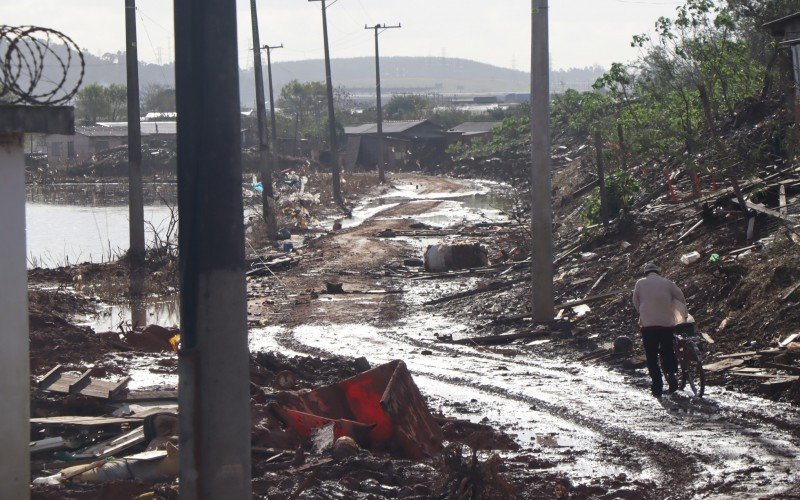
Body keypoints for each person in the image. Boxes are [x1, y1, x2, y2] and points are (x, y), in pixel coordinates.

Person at [632, 263, 687, 398]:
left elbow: (635, 301)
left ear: (646, 273)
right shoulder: (667, 283)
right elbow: (681, 298)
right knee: (667, 350)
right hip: (666, 324)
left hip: (648, 325)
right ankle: (672, 374)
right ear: (658, 272)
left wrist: (642, 312)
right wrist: (675, 310)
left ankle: (657, 386)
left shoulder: (640, 283)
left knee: (651, 356)